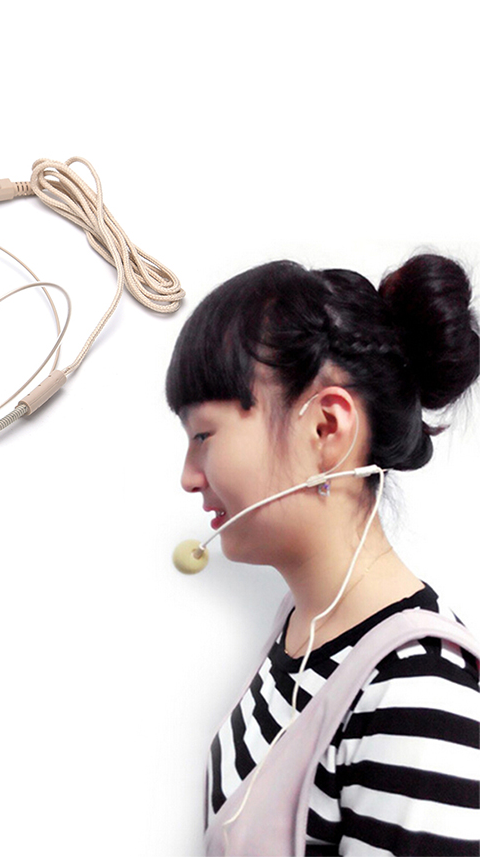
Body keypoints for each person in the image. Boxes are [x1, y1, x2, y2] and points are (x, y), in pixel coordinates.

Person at [165, 253, 480, 856]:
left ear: (327, 428)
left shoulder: (418, 695)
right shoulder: (300, 624)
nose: (188, 476)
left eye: (204, 435)